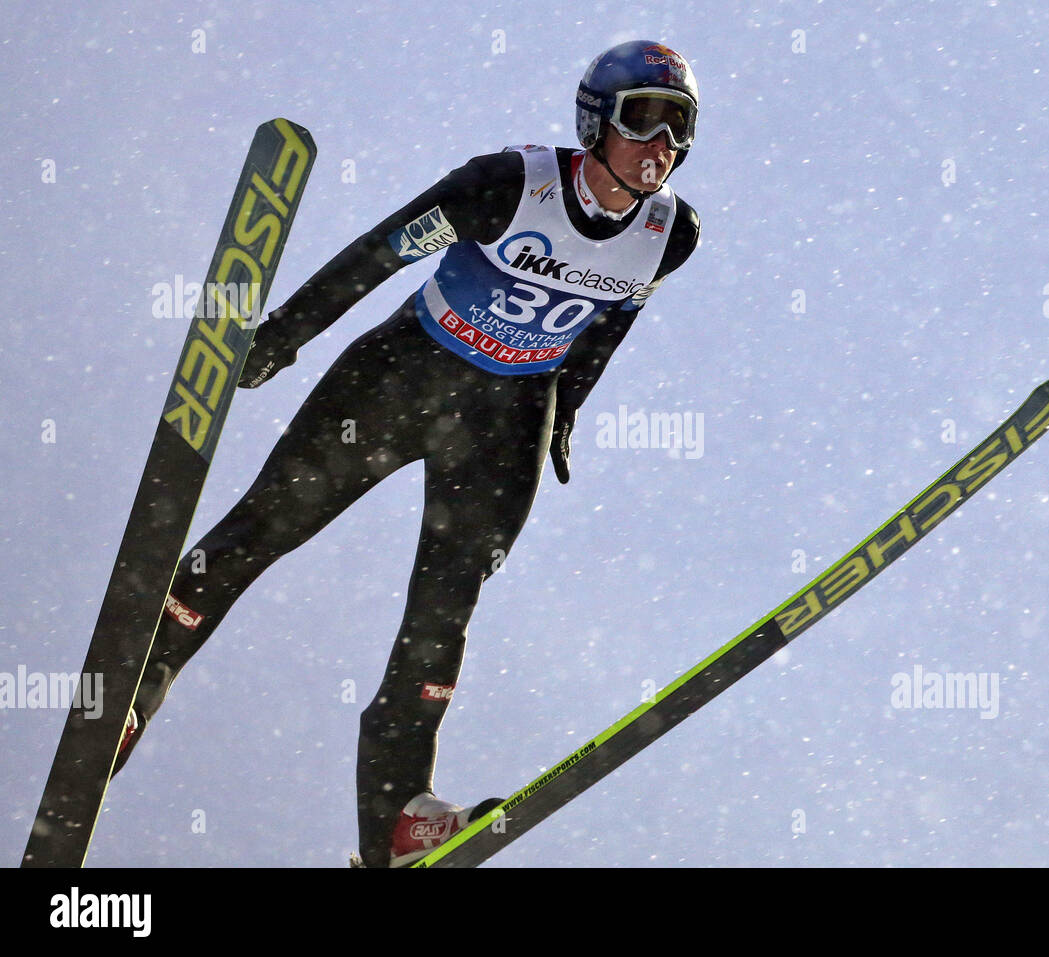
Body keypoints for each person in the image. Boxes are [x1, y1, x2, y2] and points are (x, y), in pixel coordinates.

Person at [112, 40, 701, 867]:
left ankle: (394, 818)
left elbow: (609, 322)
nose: (661, 146)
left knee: (444, 614)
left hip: (507, 421)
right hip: (403, 380)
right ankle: (131, 691)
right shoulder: (508, 183)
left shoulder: (670, 233)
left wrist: (566, 411)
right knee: (266, 526)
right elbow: (380, 251)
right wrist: (282, 336)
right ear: (596, 119)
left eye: (680, 127)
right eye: (644, 118)